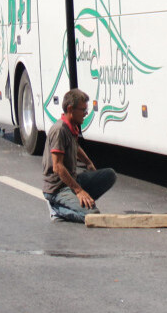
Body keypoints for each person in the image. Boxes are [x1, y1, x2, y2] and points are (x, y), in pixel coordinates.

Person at [42, 88, 116, 223]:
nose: (85, 114)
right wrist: (79, 191)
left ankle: (79, 202)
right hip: (57, 188)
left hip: (72, 179)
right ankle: (57, 209)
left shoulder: (72, 126)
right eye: (83, 110)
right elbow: (57, 167)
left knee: (110, 175)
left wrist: (88, 162)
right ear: (70, 109)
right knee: (93, 215)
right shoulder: (59, 130)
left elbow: (75, 147)